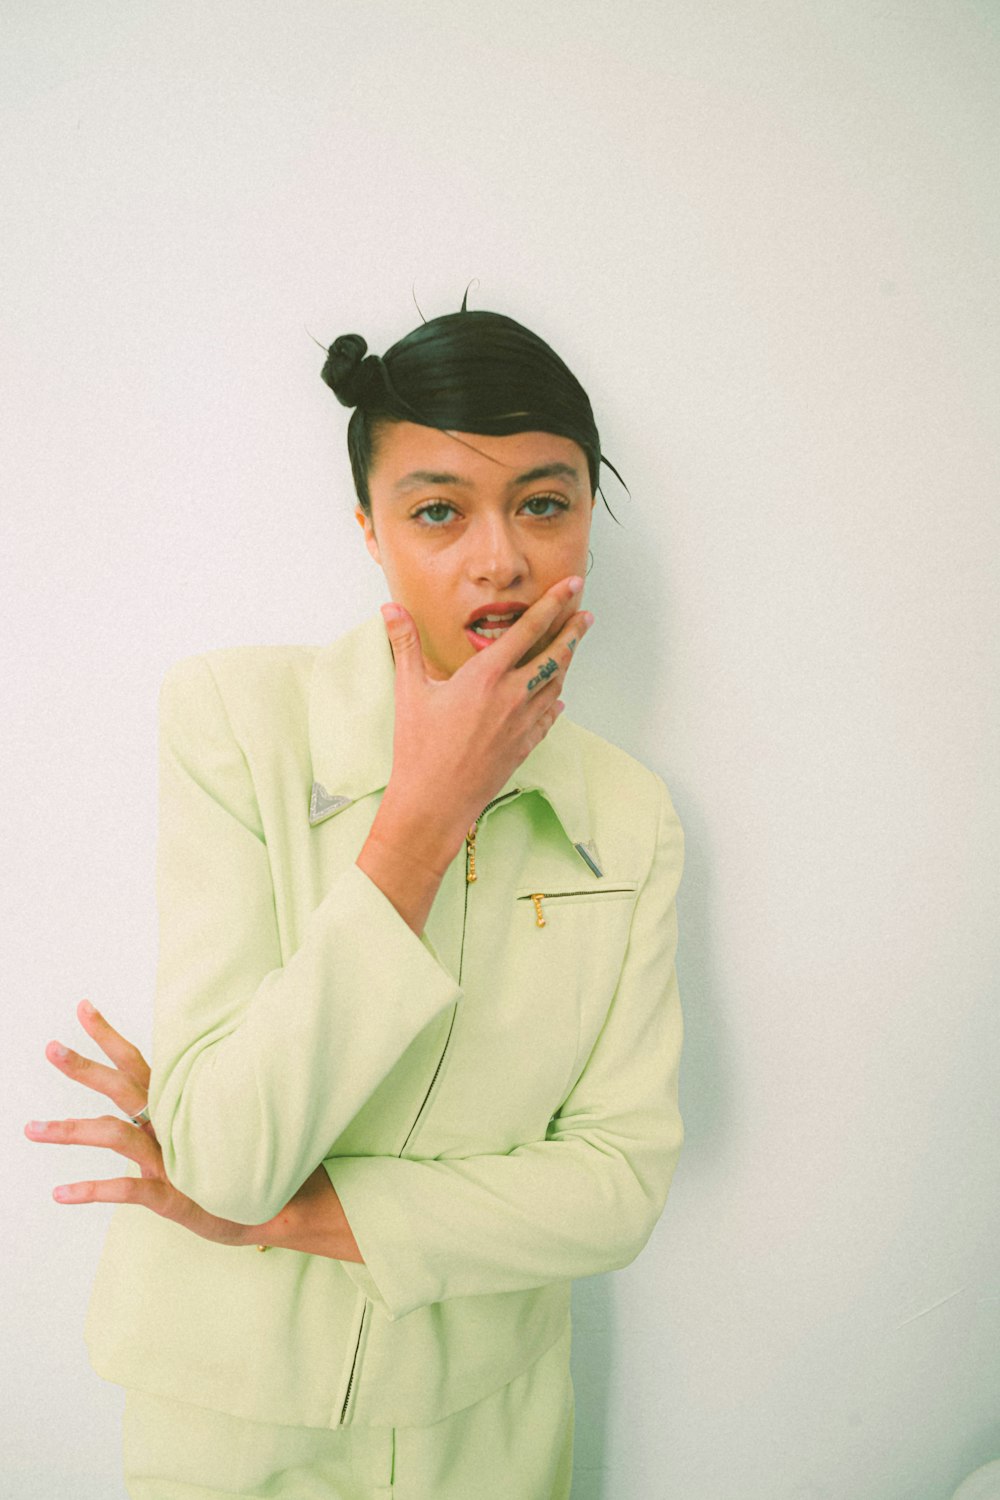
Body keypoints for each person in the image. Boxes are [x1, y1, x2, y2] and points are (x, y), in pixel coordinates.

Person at [26, 293, 687, 1499]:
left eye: (545, 502)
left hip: (488, 1418)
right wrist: (423, 818)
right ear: (371, 533)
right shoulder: (234, 721)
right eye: (438, 511)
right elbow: (224, 1158)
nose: (500, 556)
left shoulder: (629, 815)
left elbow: (616, 1191)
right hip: (229, 1417)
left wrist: (290, 1218)